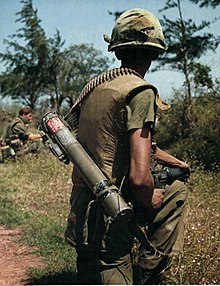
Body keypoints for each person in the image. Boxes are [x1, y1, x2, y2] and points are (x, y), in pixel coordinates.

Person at [65, 8, 190, 285]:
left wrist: (177, 164)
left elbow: (116, 142)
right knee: (176, 191)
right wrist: (151, 197)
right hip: (112, 217)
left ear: (117, 49)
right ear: (154, 52)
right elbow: (138, 177)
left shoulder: (96, 88)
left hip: (83, 214)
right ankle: (149, 272)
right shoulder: (140, 91)